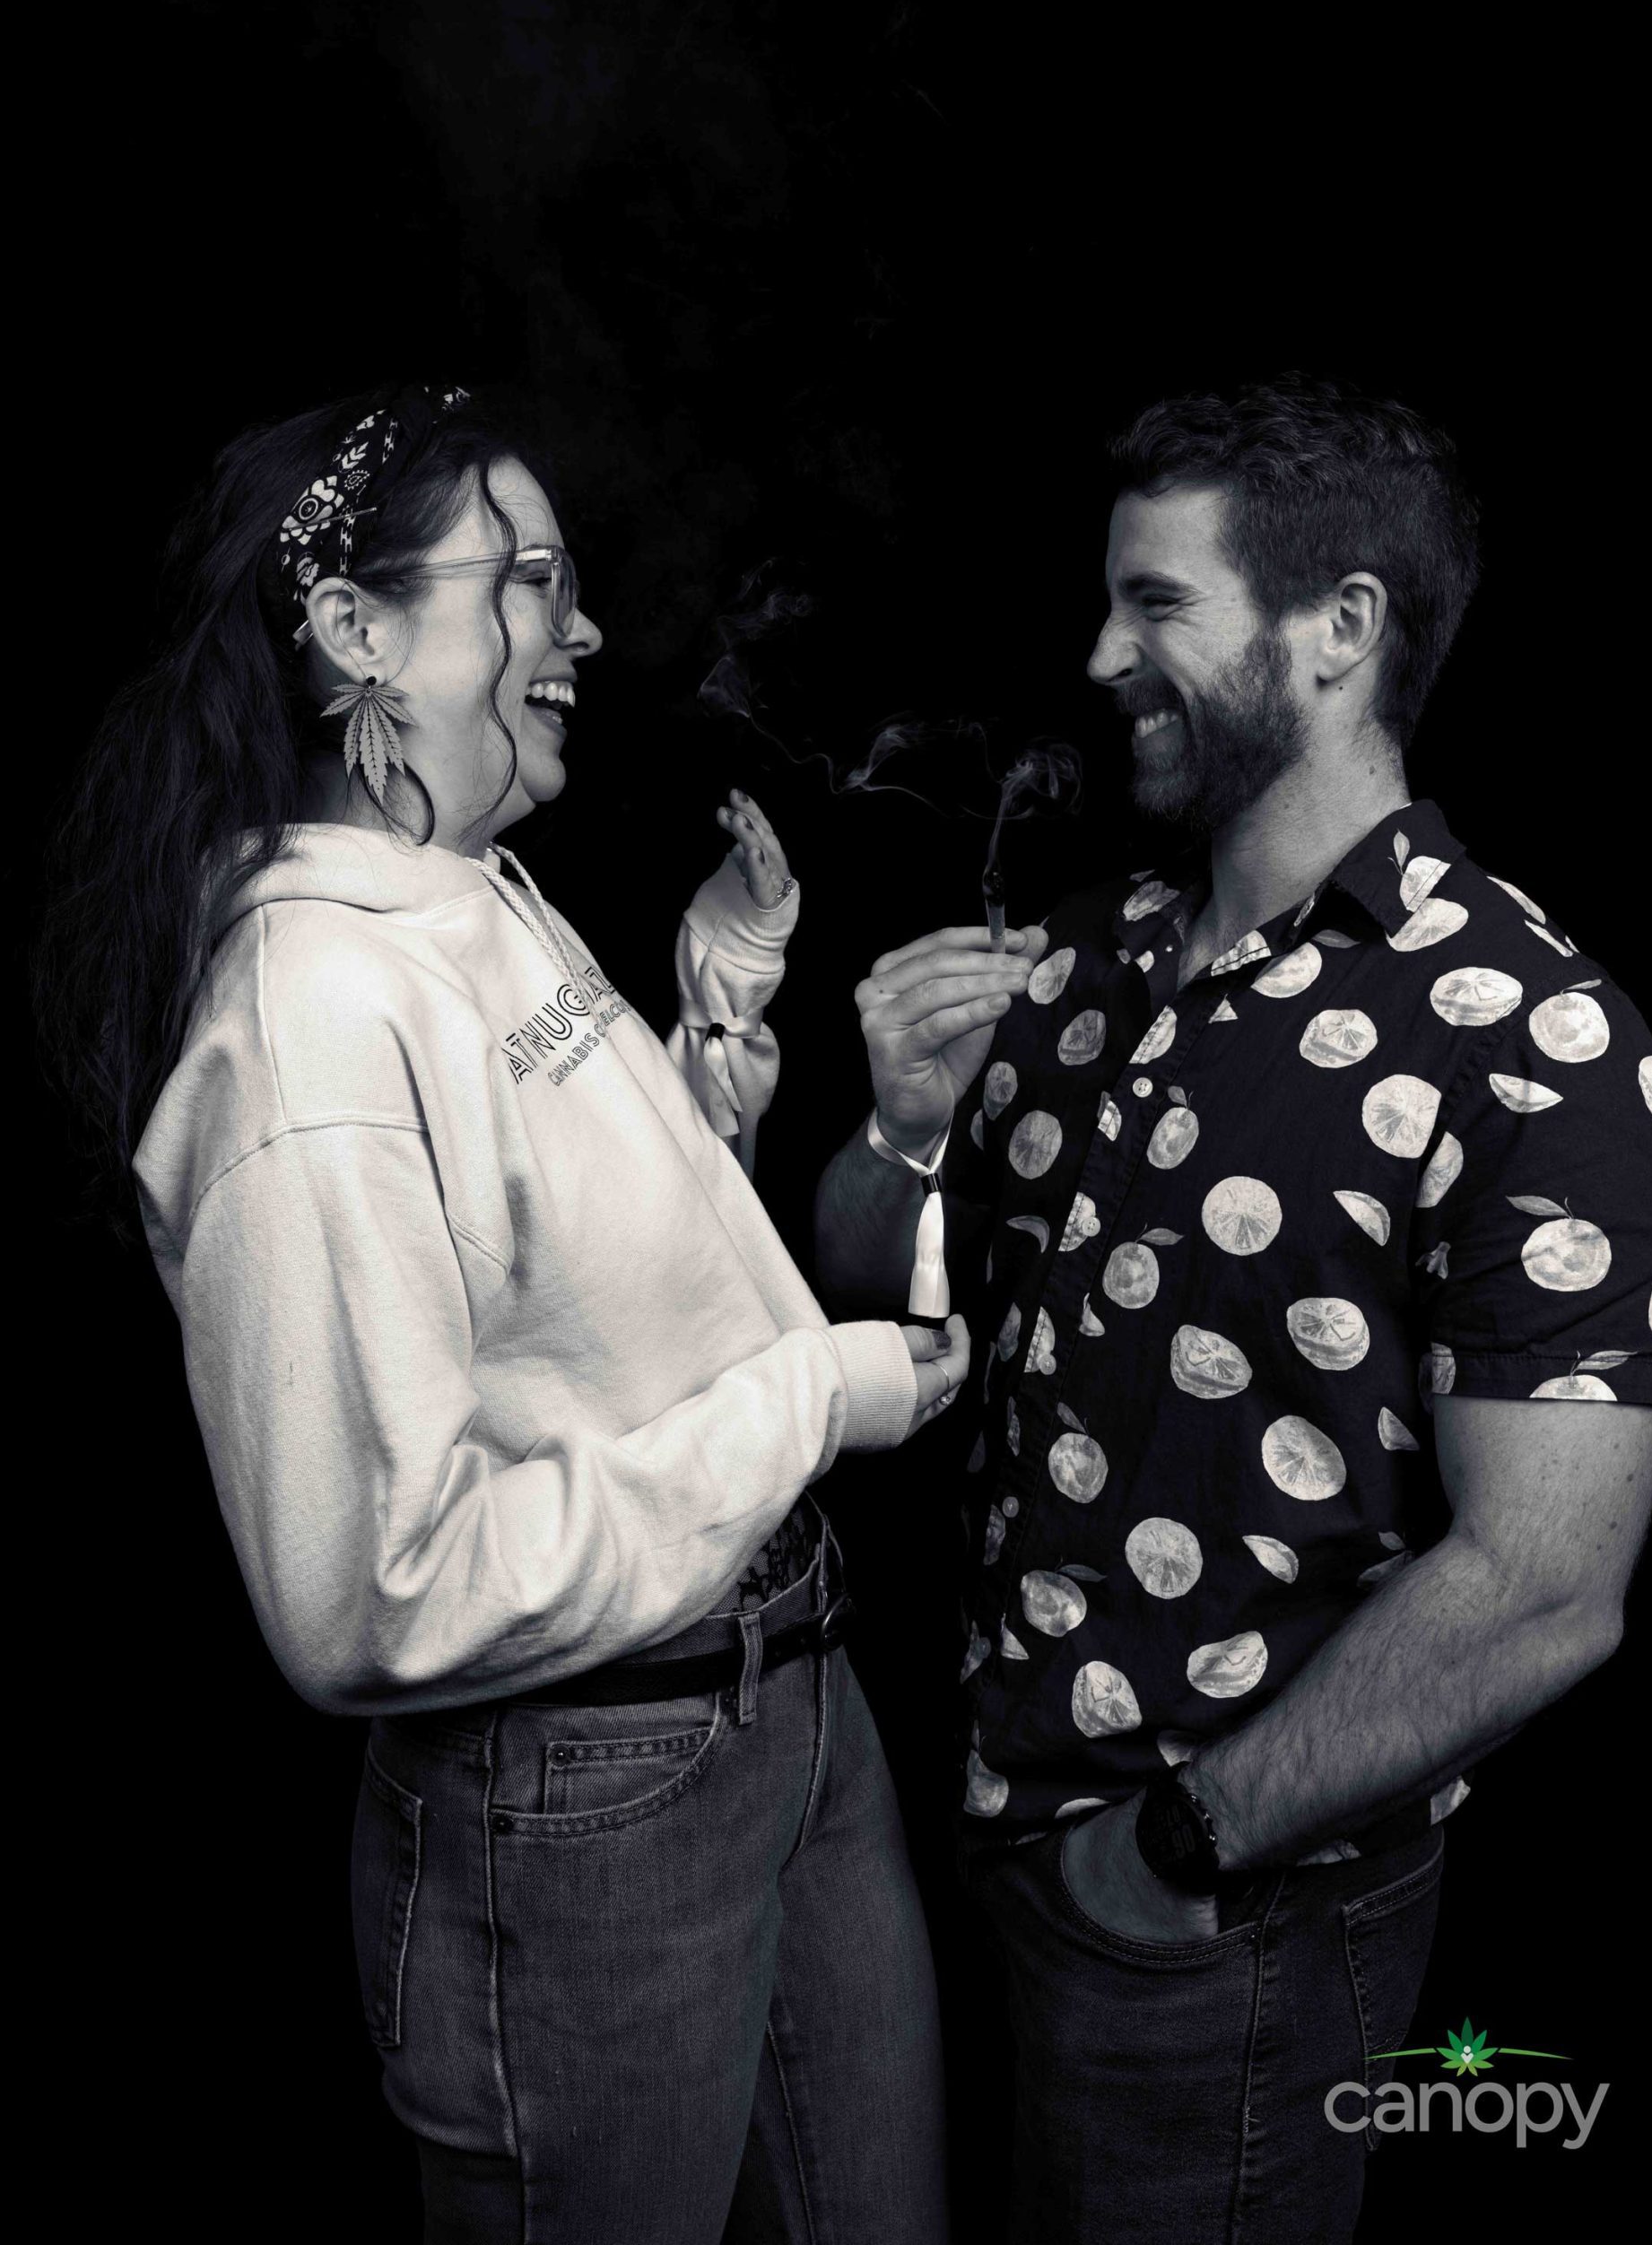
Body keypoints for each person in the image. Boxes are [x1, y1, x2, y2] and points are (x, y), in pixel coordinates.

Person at [38, 382, 969, 2244]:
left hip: (787, 1695)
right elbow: (376, 1591)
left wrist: (718, 1003)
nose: (584, 627)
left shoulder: (463, 886)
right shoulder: (305, 1024)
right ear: (355, 633)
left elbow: (581, 1272)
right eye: (525, 580)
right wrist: (818, 1397)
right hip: (590, 1796)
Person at [814, 375, 1652, 2242]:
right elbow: (879, 1282)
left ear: (1338, 628)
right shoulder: (1095, 955)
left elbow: (1547, 1585)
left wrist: (1178, 1848)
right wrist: (898, 1132)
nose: (1099, 654)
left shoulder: (1534, 1039)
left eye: (1158, 603)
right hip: (985, 1853)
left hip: (1227, 1917)